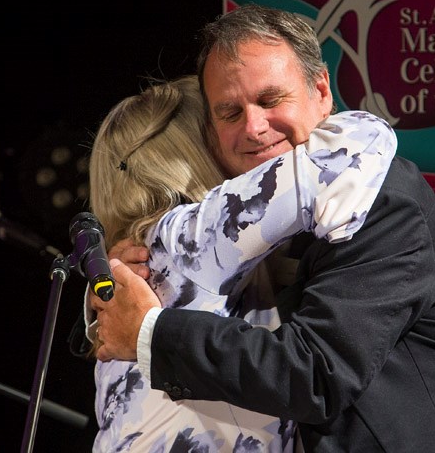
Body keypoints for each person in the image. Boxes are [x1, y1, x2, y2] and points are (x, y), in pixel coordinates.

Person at [92, 4, 435, 452]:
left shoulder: (377, 197)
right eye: (230, 113)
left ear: (322, 91)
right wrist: (130, 281)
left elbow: (315, 374)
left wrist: (150, 330)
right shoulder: (247, 233)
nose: (254, 127)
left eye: (270, 100)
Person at [85, 74, 397, 451]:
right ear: (194, 150)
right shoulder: (189, 237)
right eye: (225, 120)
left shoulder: (132, 268)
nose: (248, 134)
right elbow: (350, 148)